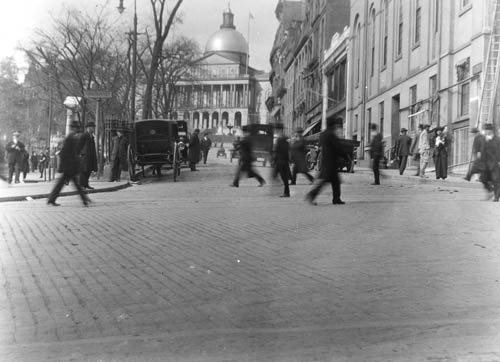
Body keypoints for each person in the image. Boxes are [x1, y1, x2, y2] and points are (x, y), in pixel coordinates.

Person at [47, 121, 91, 206]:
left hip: (69, 166)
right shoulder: (70, 138)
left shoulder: (70, 137)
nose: (77, 130)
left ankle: (52, 199)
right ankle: (84, 199)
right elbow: (65, 153)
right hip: (69, 166)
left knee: (63, 184)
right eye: (76, 128)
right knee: (74, 184)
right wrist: (71, 164)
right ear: (73, 128)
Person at [305, 118, 346, 205]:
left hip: (326, 160)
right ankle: (312, 195)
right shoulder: (331, 134)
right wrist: (345, 155)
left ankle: (336, 198)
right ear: (332, 125)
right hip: (331, 161)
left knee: (334, 181)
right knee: (327, 181)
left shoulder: (323, 134)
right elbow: (337, 147)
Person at [480, 123, 500, 201]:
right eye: (485, 130)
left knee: (496, 180)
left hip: (495, 162)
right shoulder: (483, 139)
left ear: (490, 131)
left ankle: (496, 197)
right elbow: (482, 151)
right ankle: (490, 190)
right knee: (483, 179)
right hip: (485, 163)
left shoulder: (497, 139)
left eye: (486, 130)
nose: (485, 131)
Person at [273, 126, 291, 197]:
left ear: (279, 130)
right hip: (282, 161)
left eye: (277, 130)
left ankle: (286, 192)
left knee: (284, 177)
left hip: (281, 161)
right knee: (282, 177)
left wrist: (275, 160)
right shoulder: (284, 139)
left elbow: (279, 151)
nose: (276, 131)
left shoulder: (281, 139)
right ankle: (285, 191)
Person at [79, 121, 97, 189]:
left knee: (88, 171)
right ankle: (81, 185)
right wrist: (81, 154)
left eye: (94, 127)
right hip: (84, 156)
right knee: (83, 171)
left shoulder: (91, 137)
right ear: (88, 128)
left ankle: (86, 184)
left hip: (90, 156)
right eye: (92, 127)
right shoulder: (84, 135)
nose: (93, 129)